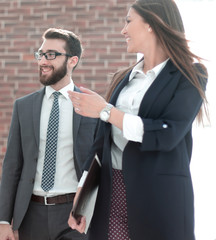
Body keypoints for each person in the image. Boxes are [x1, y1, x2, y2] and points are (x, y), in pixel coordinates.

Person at [67, 0, 208, 239]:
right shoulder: (124, 78)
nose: (123, 30)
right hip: (111, 193)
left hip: (159, 199)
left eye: (128, 21)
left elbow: (167, 134)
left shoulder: (190, 74)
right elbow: (101, 143)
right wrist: (81, 198)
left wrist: (107, 111)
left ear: (151, 23)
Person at [0, 28, 100, 240]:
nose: (43, 61)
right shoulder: (23, 106)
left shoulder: (91, 106)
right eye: (41, 54)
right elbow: (12, 165)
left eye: (51, 55)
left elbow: (100, 164)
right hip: (31, 215)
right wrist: (4, 221)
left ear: (72, 60)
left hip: (76, 215)